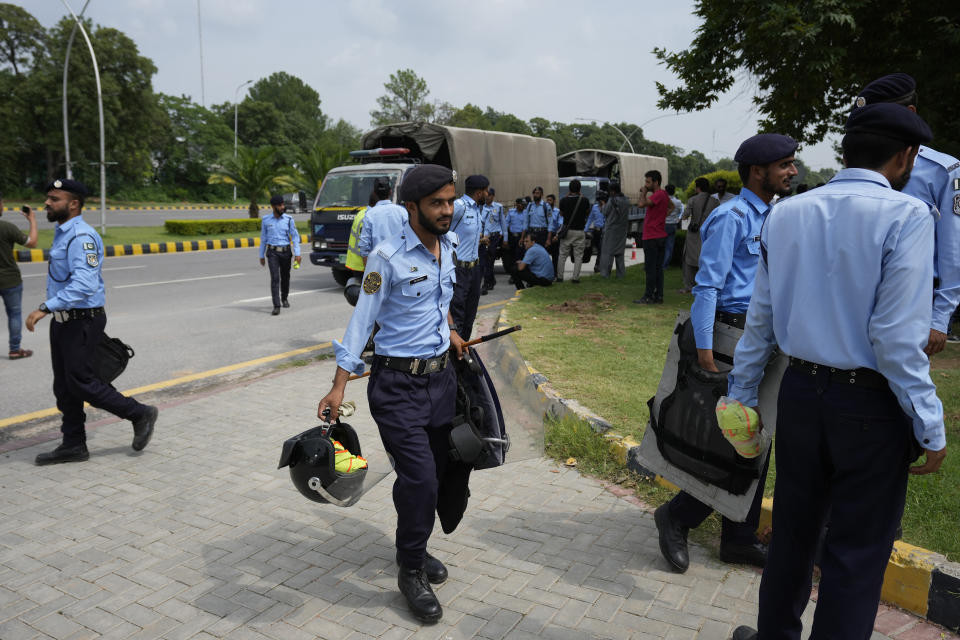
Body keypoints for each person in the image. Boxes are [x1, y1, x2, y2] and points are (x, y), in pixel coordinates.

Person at [729, 104, 946, 640]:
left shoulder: (787, 212)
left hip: (801, 393)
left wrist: (741, 393)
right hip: (869, 407)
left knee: (792, 537)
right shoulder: (908, 215)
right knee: (855, 553)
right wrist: (930, 424)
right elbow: (896, 340)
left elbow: (762, 321)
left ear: (843, 151)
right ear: (906, 156)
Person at [317, 164, 465, 624]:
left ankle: (411, 549)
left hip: (442, 381)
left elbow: (441, 304)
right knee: (420, 478)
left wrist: (454, 332)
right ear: (412, 207)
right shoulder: (386, 257)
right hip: (398, 386)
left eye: (450, 201)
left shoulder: (450, 245)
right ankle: (412, 572)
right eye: (437, 203)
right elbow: (362, 320)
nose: (447, 210)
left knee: (438, 476)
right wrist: (340, 384)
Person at [654, 133, 798, 574]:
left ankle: (738, 536)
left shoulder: (775, 215)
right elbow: (708, 285)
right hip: (728, 338)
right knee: (729, 441)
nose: (793, 171)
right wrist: (703, 351)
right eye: (785, 165)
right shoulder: (731, 216)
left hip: (763, 340)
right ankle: (678, 516)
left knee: (756, 440)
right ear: (759, 171)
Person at [25, 179, 158, 465]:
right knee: (64, 386)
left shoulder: (82, 237)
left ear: (73, 204)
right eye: (47, 198)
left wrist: (44, 308)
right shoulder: (63, 233)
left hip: (82, 320)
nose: (47, 203)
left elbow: (84, 285)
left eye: (54, 199)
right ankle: (73, 444)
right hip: (65, 321)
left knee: (82, 381)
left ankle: (139, 413)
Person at [853, 73, 960, 358]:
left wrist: (939, 318)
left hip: (912, 301)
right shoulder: (859, 165)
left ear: (909, 113)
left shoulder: (942, 171)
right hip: (855, 296)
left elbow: (953, 249)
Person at [449, 174, 488, 341]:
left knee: (470, 314)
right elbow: (441, 230)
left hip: (475, 269)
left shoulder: (477, 209)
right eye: (486, 191)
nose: (488, 194)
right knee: (457, 312)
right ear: (479, 193)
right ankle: (453, 353)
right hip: (459, 270)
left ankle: (463, 350)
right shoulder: (459, 207)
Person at [0, 193, 38, 359]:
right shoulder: (7, 228)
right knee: (14, 314)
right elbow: (32, 242)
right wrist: (32, 220)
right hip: (10, 280)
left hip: (10, 280)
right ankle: (15, 349)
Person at [634, 170, 674, 304]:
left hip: (651, 236)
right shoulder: (663, 195)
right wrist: (661, 217)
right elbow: (672, 206)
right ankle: (659, 296)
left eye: (648, 182)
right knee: (658, 268)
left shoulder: (657, 194)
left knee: (650, 268)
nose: (646, 184)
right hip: (660, 235)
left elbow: (640, 204)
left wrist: (644, 192)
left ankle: (648, 296)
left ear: (656, 182)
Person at [259, 194, 301, 315]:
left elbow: (295, 236)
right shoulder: (266, 220)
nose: (283, 207)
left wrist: (297, 253)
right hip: (272, 253)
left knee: (285, 277)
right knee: (275, 278)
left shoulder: (289, 220)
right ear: (273, 206)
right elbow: (263, 238)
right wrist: (261, 255)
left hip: (286, 252)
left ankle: (284, 298)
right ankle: (276, 305)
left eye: (283, 204)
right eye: (280, 205)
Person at [679, 178, 718, 293]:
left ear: (698, 188)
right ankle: (704, 284)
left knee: (689, 259)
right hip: (709, 234)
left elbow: (685, 216)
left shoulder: (692, 200)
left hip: (694, 234)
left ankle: (688, 286)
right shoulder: (715, 202)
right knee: (705, 259)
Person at [555, 179, 592, 283]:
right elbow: (587, 213)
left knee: (562, 254)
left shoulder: (563, 200)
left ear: (569, 189)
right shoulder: (584, 200)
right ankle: (575, 278)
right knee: (578, 255)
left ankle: (560, 277)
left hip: (567, 231)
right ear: (580, 189)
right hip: (580, 231)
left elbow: (561, 214)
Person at [599, 181, 630, 278]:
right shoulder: (626, 200)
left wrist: (603, 204)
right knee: (620, 253)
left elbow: (604, 212)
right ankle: (621, 274)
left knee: (607, 253)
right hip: (622, 229)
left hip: (611, 229)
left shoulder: (612, 201)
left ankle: (605, 274)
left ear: (612, 191)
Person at [480, 188, 506, 295]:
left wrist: (506, 239)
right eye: (486, 194)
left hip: (494, 237)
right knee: (484, 261)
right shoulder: (481, 207)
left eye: (490, 195)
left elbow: (503, 223)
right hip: (484, 237)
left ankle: (486, 284)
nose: (487, 197)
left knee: (489, 260)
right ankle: (491, 280)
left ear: (493, 196)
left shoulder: (498, 207)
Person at [662, 184, 683, 269]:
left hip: (663, 224)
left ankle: (659, 263)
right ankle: (665, 265)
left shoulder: (663, 200)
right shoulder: (678, 202)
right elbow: (680, 212)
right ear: (674, 191)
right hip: (673, 225)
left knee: (661, 246)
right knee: (669, 247)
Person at [586, 191, 606, 273]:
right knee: (595, 247)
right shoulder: (594, 207)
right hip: (596, 231)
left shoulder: (607, 207)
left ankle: (597, 266)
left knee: (601, 248)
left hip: (604, 231)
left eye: (601, 199)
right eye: (598, 199)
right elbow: (590, 219)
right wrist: (585, 229)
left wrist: (604, 206)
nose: (599, 201)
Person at [504, 197, 527, 271]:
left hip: (521, 237)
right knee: (511, 255)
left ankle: (518, 272)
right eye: (521, 204)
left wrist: (522, 238)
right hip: (512, 237)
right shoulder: (511, 212)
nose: (523, 206)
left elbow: (524, 227)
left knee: (519, 255)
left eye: (523, 205)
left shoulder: (525, 213)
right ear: (517, 204)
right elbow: (506, 225)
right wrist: (506, 239)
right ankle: (513, 273)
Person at [545, 194, 563, 277]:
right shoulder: (544, 211)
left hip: (554, 235)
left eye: (550, 200)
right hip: (545, 235)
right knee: (544, 255)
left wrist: (557, 235)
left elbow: (560, 224)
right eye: (547, 200)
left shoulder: (558, 211)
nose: (548, 202)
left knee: (555, 256)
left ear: (554, 201)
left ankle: (555, 273)